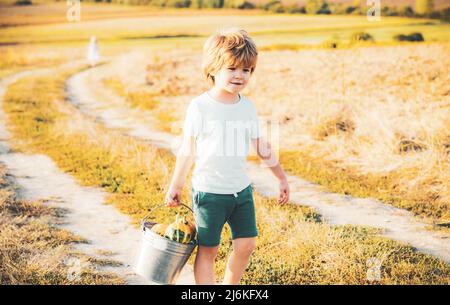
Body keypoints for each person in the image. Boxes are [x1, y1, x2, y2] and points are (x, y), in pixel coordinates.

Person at [164, 27, 290, 285]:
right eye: (232, 68)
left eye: (246, 70)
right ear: (213, 69)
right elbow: (187, 150)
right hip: (209, 193)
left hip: (241, 192)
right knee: (208, 250)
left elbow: (261, 144)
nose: (240, 75)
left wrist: (281, 178)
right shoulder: (200, 107)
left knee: (246, 245)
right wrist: (175, 185)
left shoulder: (246, 106)